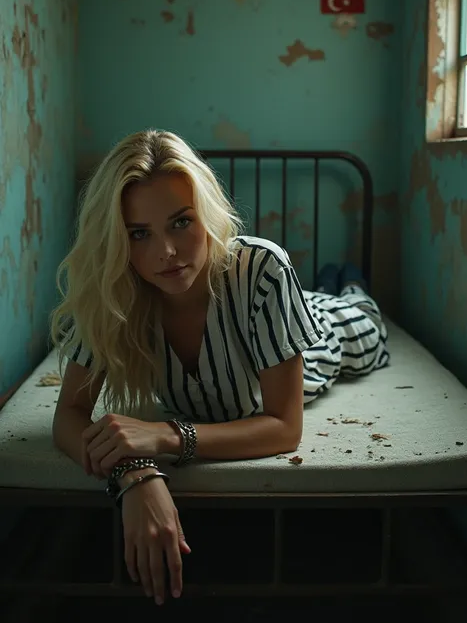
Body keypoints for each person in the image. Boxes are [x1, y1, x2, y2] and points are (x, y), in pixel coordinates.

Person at [50, 129, 389, 605]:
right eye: (139, 234)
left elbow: (284, 428)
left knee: (361, 310)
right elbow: (68, 414)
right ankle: (337, 280)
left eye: (181, 222)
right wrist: (134, 474)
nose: (166, 251)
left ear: (206, 213)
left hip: (324, 336)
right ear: (116, 240)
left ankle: (350, 283)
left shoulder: (263, 268)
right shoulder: (111, 289)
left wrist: (166, 436)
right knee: (325, 292)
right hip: (276, 316)